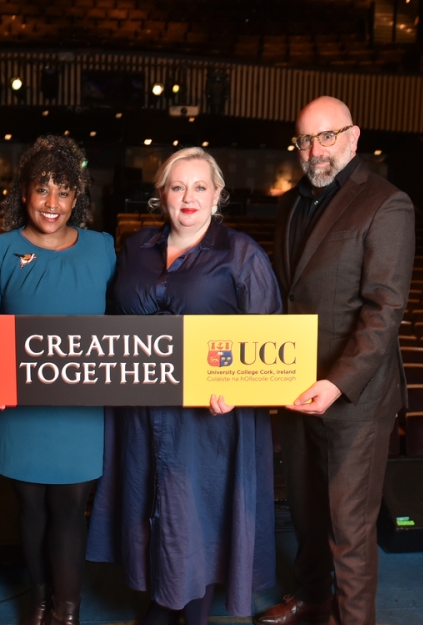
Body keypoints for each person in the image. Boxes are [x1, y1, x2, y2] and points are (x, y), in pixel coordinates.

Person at [88, 147, 281, 625]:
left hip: (209, 420)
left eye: (200, 186)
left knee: (193, 515)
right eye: (178, 186)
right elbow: (110, 323)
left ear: (218, 196)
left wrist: (239, 387)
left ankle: (186, 614)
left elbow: (273, 341)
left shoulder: (242, 255)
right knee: (144, 505)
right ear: (162, 195)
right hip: (139, 412)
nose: (189, 196)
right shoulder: (134, 248)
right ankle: (159, 603)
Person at [252, 96, 414, 625]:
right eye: (304, 139)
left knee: (349, 525)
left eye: (326, 136)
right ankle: (311, 597)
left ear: (353, 136)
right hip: (293, 384)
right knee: (304, 510)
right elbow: (287, 296)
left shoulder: (387, 203)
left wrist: (337, 383)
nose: (314, 150)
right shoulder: (290, 203)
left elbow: (384, 310)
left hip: (355, 399)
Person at [0, 136, 116, 625]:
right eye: (42, 190)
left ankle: (66, 612)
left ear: (79, 197)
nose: (52, 204)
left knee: (72, 508)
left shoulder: (103, 249)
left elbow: (123, 329)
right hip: (19, 410)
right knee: (31, 507)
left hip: (80, 411)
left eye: (64, 191)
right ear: (24, 193)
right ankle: (38, 600)